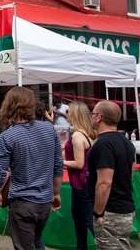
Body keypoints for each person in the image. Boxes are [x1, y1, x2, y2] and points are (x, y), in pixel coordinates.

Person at [0, 87, 63, 250]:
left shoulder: (8, 136)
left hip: (23, 203)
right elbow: (58, 164)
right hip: (43, 202)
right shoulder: (49, 129)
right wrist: (55, 193)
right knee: (36, 242)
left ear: (9, 105)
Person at [87, 100, 136, 249]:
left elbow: (104, 183)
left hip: (111, 211)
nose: (91, 117)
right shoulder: (127, 143)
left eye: (92, 114)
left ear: (99, 117)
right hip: (125, 210)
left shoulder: (103, 144)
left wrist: (98, 213)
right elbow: (131, 173)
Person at [63, 101, 97, 250]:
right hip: (83, 183)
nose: (66, 114)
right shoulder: (88, 133)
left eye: (69, 111)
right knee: (80, 221)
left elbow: (78, 163)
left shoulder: (77, 135)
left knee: (87, 222)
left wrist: (60, 161)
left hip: (81, 184)